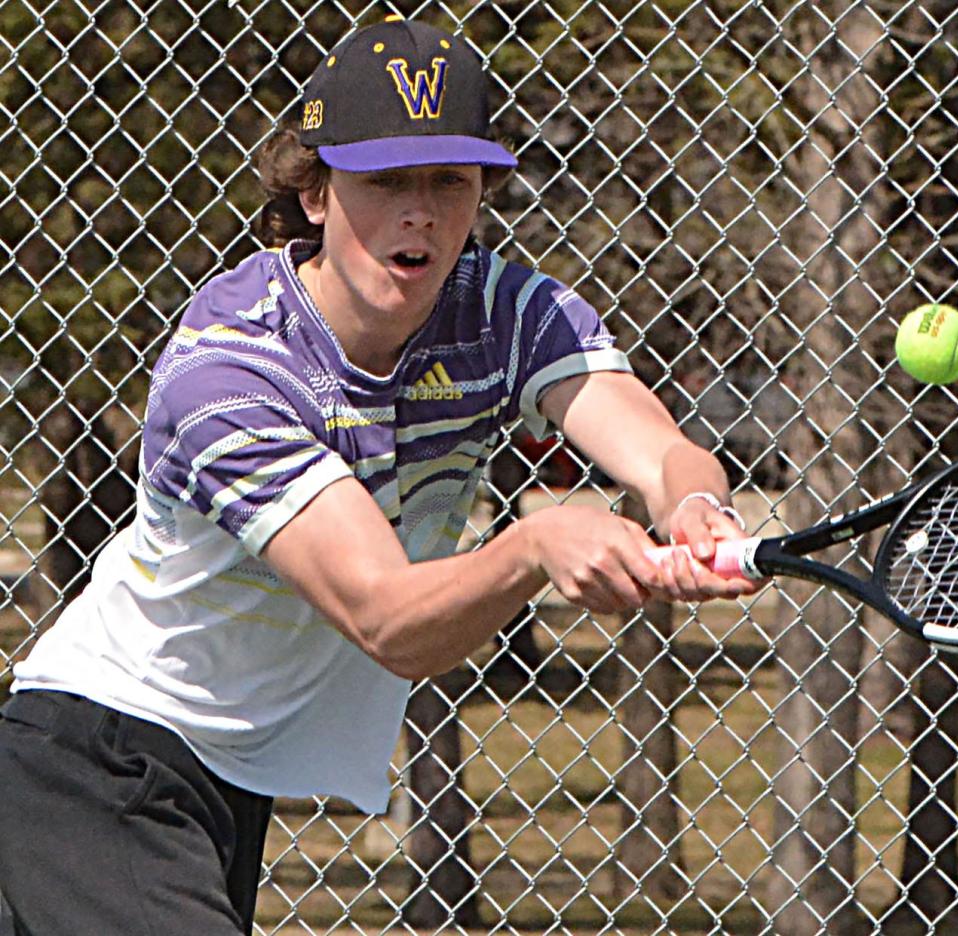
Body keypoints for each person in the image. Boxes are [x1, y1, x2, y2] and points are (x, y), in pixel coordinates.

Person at [0, 16, 756, 935]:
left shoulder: (508, 312)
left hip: (223, 781)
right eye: (387, 179)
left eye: (451, 181)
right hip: (99, 762)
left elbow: (657, 447)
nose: (422, 212)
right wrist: (537, 545)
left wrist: (696, 507)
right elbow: (386, 618)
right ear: (316, 193)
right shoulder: (234, 369)